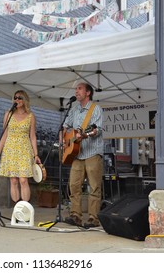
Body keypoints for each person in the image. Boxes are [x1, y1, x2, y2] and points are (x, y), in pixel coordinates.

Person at [63, 81, 104, 228]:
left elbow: (97, 129)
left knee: (94, 187)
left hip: (93, 152)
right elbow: (65, 126)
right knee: (74, 185)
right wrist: (65, 139)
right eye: (75, 89)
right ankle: (76, 216)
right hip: (76, 154)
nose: (76, 91)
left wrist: (86, 134)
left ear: (88, 93)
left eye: (79, 89)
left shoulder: (95, 108)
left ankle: (93, 218)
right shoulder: (73, 110)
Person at [0, 90, 41, 203]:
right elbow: (4, 134)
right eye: (15, 98)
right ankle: (17, 209)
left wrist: (36, 154)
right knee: (13, 180)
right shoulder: (8, 114)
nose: (17, 100)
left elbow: (32, 136)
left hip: (24, 149)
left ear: (24, 100)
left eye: (19, 98)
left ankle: (25, 208)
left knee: (23, 180)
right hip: (10, 149)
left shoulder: (30, 116)